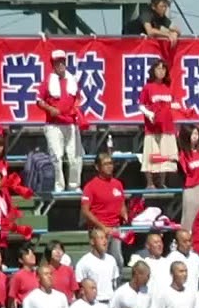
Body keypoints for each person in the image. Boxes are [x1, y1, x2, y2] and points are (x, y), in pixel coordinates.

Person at [36, 48, 83, 193]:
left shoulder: (72, 80)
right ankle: (59, 185)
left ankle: (74, 185)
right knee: (56, 155)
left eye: (63, 62)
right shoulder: (47, 82)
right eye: (58, 63)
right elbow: (38, 100)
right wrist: (50, 109)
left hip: (71, 124)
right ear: (53, 65)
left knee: (75, 156)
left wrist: (75, 108)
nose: (61, 65)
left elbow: (79, 98)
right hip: (54, 125)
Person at [79, 154, 129, 267]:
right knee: (99, 261)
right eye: (106, 164)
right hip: (98, 230)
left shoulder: (118, 184)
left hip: (115, 228)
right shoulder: (90, 186)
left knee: (117, 261)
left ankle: (116, 283)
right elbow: (85, 211)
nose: (109, 166)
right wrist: (102, 227)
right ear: (98, 167)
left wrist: (125, 217)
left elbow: (121, 203)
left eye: (110, 163)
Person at [137, 59, 178, 189]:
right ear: (153, 71)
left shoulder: (168, 88)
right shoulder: (148, 87)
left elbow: (173, 104)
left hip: (167, 126)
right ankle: (150, 182)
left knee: (165, 154)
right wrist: (149, 114)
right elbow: (141, 105)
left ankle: (162, 181)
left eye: (163, 69)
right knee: (152, 154)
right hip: (153, 127)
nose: (161, 71)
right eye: (158, 68)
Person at [178, 126, 199, 232]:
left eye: (197, 134)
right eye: (193, 134)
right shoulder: (183, 154)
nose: (195, 137)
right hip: (192, 189)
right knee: (190, 219)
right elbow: (183, 172)